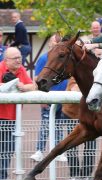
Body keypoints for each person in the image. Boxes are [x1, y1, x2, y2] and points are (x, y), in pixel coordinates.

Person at [0, 47, 36, 180]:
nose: (19, 60)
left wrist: (21, 86)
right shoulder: (0, 68)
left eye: (19, 57)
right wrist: (10, 85)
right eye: (15, 58)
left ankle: (2, 179)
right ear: (6, 60)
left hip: (14, 117)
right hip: (2, 115)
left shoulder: (21, 70)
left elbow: (33, 86)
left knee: (7, 149)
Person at [30, 34, 68, 162]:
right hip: (48, 96)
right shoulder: (43, 58)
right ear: (50, 44)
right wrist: (41, 97)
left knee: (59, 125)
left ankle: (58, 152)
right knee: (45, 125)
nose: (56, 44)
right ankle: (39, 151)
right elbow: (37, 79)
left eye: (58, 42)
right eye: (54, 42)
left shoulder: (64, 58)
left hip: (63, 98)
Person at [62, 77, 97, 180]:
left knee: (91, 145)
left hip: (90, 114)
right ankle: (75, 175)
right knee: (72, 144)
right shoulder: (77, 74)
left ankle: (87, 175)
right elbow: (75, 89)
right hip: (72, 114)